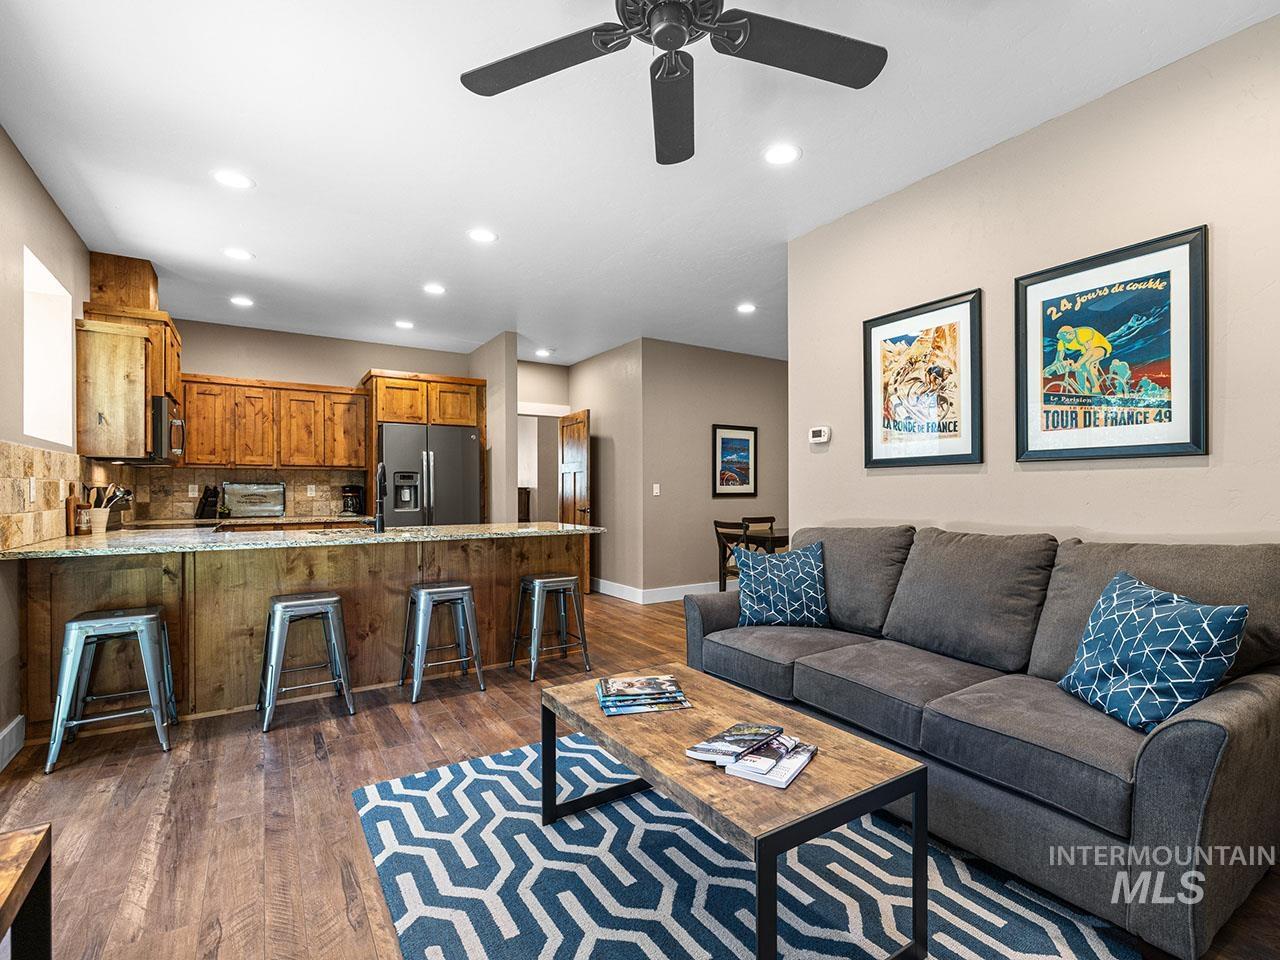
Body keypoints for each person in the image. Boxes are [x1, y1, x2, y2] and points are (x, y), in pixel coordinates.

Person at [1050, 325, 1113, 394]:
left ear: (1071, 334)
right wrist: (1048, 370)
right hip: (1086, 352)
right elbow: (1058, 360)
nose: (1064, 341)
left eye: (1064, 338)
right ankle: (1084, 391)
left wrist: (1078, 364)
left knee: (1086, 364)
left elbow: (1090, 351)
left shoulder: (1083, 333)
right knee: (1079, 370)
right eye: (1062, 339)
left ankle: (1096, 389)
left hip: (1101, 347)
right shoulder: (1062, 342)